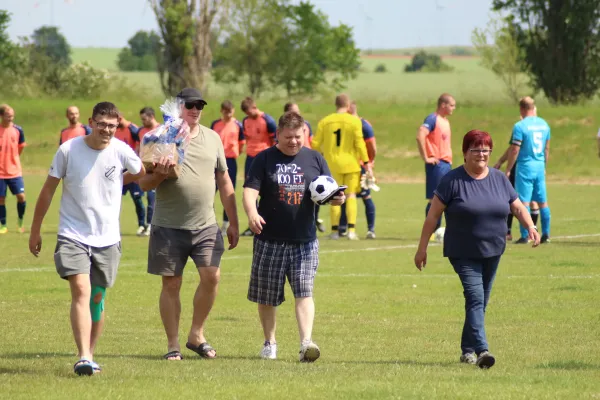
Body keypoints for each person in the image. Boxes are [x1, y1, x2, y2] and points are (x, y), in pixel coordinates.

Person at [28, 102, 145, 376]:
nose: (106, 130)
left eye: (112, 126)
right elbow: (47, 192)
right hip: (73, 234)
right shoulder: (68, 149)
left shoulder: (121, 151)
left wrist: (122, 178)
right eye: (101, 124)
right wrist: (35, 230)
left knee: (97, 297)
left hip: (107, 237)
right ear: (91, 121)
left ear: (118, 126)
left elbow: (140, 174)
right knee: (81, 289)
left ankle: (90, 354)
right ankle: (82, 356)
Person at [414, 129, 540, 369]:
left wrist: (531, 226)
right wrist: (422, 249)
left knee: (480, 302)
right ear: (465, 153)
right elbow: (432, 217)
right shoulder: (452, 180)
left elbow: (517, 207)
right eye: (476, 149)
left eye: (486, 150)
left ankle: (467, 350)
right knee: (475, 298)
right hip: (462, 251)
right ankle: (482, 350)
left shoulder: (499, 178)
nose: (482, 154)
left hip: (493, 250)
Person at [140, 88, 240, 361]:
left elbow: (224, 181)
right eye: (190, 105)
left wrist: (232, 221)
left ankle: (196, 335)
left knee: (212, 276)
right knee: (171, 284)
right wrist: (160, 175)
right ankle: (173, 345)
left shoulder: (213, 138)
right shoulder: (161, 137)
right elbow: (144, 182)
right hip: (168, 225)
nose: (195, 110)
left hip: (206, 225)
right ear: (178, 107)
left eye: (200, 105)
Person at [243, 111, 345, 361]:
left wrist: (337, 199)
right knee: (267, 296)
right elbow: (249, 190)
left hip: (304, 241)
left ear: (304, 134)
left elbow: (329, 190)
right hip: (270, 240)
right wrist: (252, 213)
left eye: (298, 137)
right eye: (288, 137)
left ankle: (306, 343)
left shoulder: (315, 158)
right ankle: (270, 343)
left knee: (304, 291)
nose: (293, 141)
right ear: (278, 134)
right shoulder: (264, 158)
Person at [312, 94, 371, 240]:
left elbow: (315, 144)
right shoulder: (354, 121)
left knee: (334, 196)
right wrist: (366, 162)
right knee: (350, 196)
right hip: (351, 164)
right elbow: (360, 143)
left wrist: (319, 157)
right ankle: (351, 231)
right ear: (348, 105)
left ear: (335, 104)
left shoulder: (325, 121)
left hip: (332, 165)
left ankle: (334, 231)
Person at [505, 97, 551, 244]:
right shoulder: (544, 124)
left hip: (525, 166)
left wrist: (508, 168)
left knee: (523, 202)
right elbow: (547, 148)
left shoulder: (520, 126)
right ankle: (546, 234)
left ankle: (525, 236)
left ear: (522, 109)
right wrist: (544, 166)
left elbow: (514, 149)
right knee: (542, 202)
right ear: (534, 107)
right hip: (539, 166)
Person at [416, 93, 456, 241]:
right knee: (435, 199)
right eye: (452, 105)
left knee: (446, 199)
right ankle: (431, 232)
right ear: (443, 105)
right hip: (437, 164)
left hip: (446, 164)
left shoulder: (445, 121)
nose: (454, 108)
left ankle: (439, 230)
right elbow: (420, 134)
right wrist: (426, 157)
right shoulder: (432, 119)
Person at [283, 102, 325, 233]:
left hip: (307, 161)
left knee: (316, 190)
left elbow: (311, 141)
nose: (297, 114)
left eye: (298, 111)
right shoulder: (283, 128)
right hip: (291, 162)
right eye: (293, 112)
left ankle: (315, 218)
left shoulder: (306, 125)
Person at [338, 101, 377, 239]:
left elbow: (372, 145)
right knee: (345, 196)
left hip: (360, 166)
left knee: (365, 196)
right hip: (348, 165)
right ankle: (342, 228)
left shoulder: (363, 125)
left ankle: (370, 229)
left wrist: (369, 163)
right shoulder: (344, 124)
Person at [240, 97, 277, 237]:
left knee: (267, 190)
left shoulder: (268, 120)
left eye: (250, 112)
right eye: (247, 114)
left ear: (255, 106)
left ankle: (269, 220)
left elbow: (275, 141)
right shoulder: (245, 121)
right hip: (250, 158)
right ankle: (253, 222)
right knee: (250, 190)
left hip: (265, 158)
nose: (249, 116)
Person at [211, 100, 245, 235]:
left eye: (230, 112)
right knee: (209, 191)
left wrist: (234, 153)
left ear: (233, 111)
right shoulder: (215, 124)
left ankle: (226, 223)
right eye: (226, 112)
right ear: (222, 111)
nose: (228, 115)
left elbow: (242, 143)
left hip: (230, 161)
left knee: (228, 192)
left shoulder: (238, 125)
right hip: (214, 161)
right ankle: (210, 222)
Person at [114, 114, 146, 236]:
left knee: (137, 198)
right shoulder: (114, 130)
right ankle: (111, 225)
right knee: (114, 198)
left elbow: (140, 144)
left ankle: (142, 225)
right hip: (118, 170)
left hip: (131, 170)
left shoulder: (133, 129)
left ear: (121, 118)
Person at [0, 105, 27, 234]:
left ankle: (20, 222)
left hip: (14, 171)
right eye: (7, 115)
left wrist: (12, 159)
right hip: (0, 173)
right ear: (1, 116)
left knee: (21, 197)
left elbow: (20, 147)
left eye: (12, 114)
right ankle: (3, 225)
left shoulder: (18, 130)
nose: (10, 117)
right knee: (1, 199)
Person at [137, 107, 161, 236]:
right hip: (144, 168)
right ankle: (146, 225)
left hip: (159, 168)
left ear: (152, 116)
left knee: (153, 199)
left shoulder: (163, 129)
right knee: (145, 197)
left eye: (144, 119)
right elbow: (137, 148)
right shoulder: (141, 131)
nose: (142, 122)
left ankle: (151, 225)